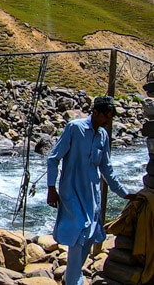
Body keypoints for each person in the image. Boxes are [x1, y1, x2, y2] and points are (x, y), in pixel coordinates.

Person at [46, 96, 136, 285]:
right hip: (71, 192)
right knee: (79, 233)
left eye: (110, 118)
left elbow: (106, 168)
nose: (107, 121)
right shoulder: (74, 128)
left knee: (89, 236)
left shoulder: (103, 136)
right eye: (106, 117)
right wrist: (51, 189)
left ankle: (73, 276)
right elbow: (53, 158)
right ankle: (73, 281)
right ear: (95, 112)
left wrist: (123, 192)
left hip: (92, 195)